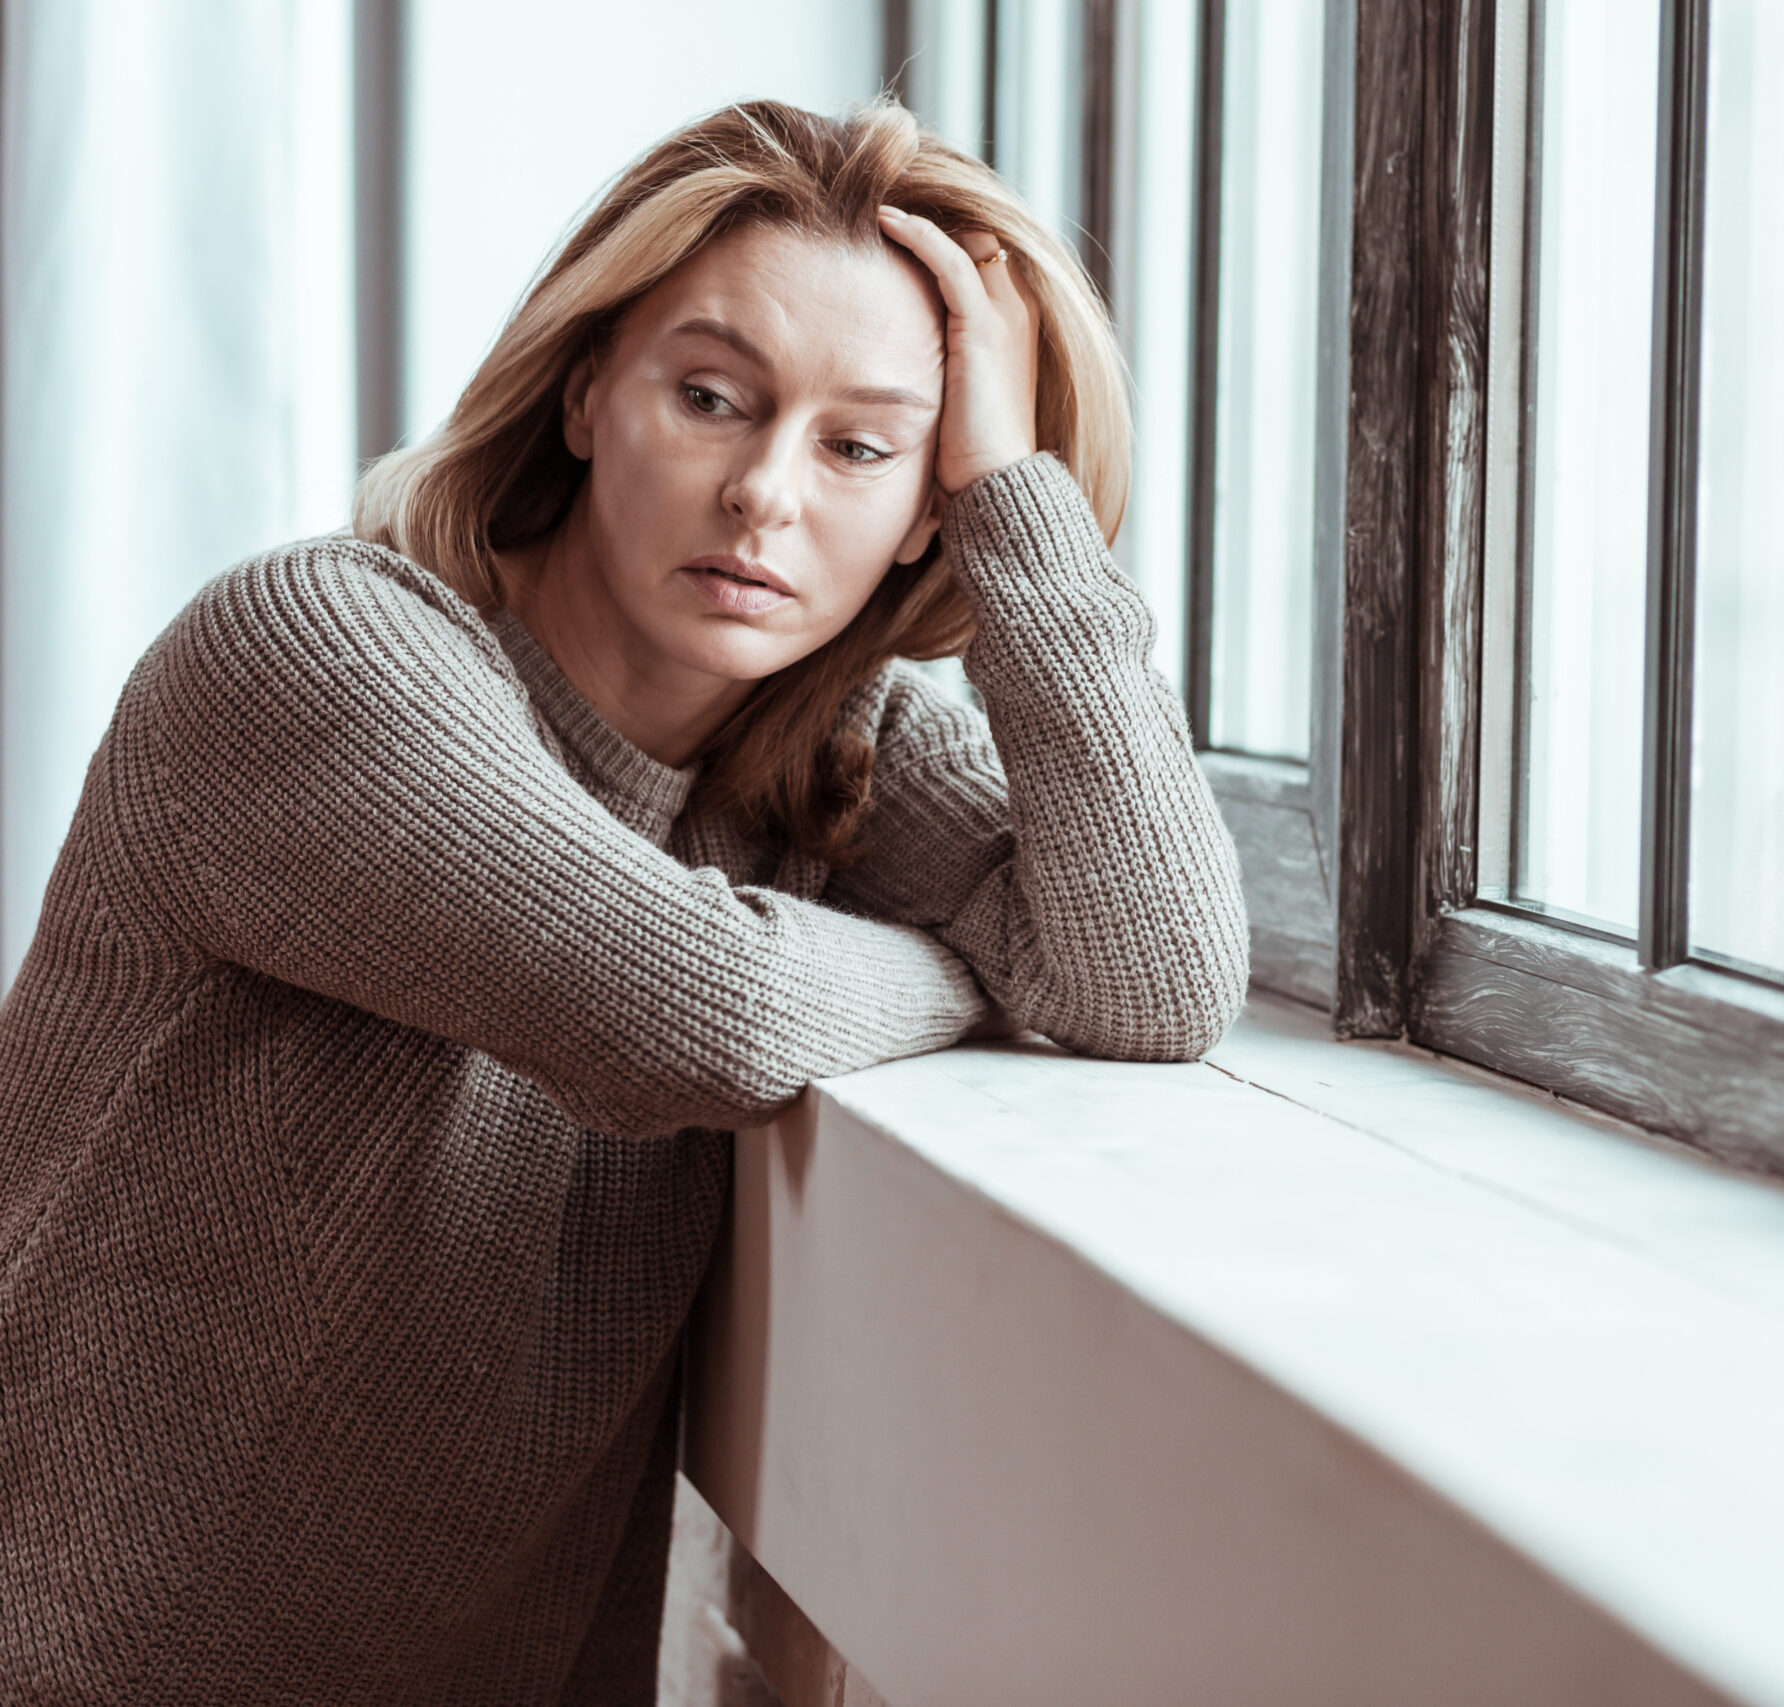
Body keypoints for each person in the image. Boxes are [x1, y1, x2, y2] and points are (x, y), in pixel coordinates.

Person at [0, 98, 1249, 1704]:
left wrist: (1018, 499)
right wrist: (965, 967)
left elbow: (1151, 980)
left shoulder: (821, 762)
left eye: (862, 446)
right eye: (714, 398)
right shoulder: (315, 651)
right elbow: (700, 1014)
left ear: (926, 510)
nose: (765, 496)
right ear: (589, 390)